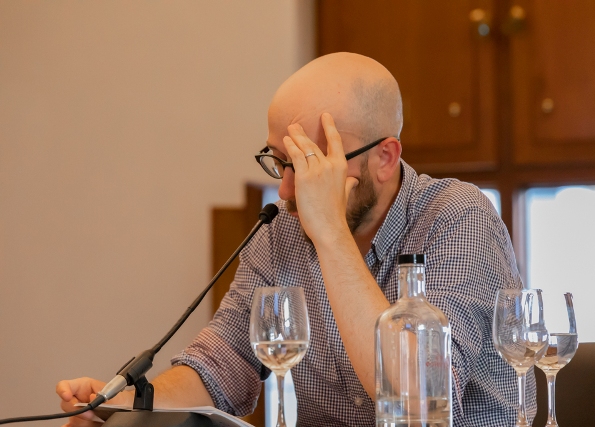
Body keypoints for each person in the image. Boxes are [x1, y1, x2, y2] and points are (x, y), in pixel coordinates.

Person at [57, 52, 534, 427]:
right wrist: (121, 406)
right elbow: (222, 363)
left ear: (385, 158)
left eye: (310, 165)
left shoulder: (457, 216)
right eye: (279, 161)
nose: (287, 191)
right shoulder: (281, 229)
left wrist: (331, 235)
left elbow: (418, 398)